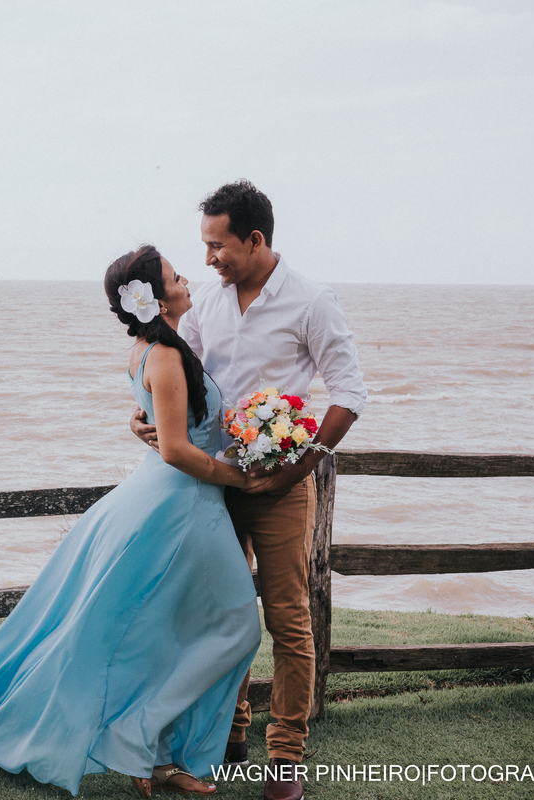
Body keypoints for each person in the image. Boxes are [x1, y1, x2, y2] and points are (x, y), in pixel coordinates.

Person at [0, 245, 265, 797]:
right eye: (176, 275)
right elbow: (174, 449)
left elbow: (162, 427)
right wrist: (242, 478)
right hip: (180, 508)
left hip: (167, 501)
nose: (186, 278)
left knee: (172, 629)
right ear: (154, 296)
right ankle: (139, 737)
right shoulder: (166, 357)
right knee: (237, 624)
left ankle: (156, 752)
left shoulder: (150, 349)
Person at [132, 181, 366, 800]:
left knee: (288, 617)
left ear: (255, 239)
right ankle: (229, 731)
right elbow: (189, 380)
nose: (208, 258)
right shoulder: (207, 304)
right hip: (211, 485)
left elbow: (349, 394)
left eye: (217, 245)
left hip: (284, 485)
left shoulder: (312, 300)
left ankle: (286, 753)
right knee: (221, 613)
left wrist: (301, 466)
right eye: (205, 246)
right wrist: (149, 421)